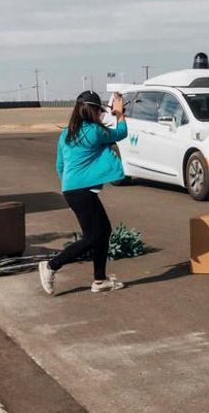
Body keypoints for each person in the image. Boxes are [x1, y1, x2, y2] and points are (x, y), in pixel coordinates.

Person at [39, 91, 128, 295]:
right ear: (93, 110)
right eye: (99, 111)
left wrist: (70, 186)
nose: (100, 115)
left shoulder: (66, 134)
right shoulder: (95, 131)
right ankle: (52, 266)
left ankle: (99, 280)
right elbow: (120, 133)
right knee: (93, 236)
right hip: (80, 191)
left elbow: (60, 166)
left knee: (104, 231)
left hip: (72, 189)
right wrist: (119, 114)